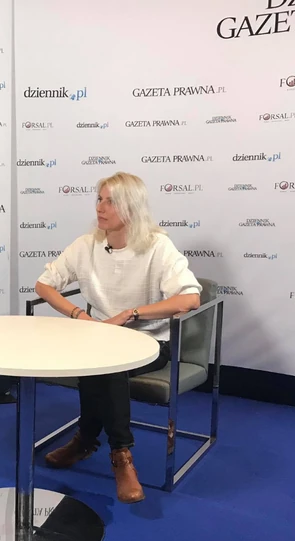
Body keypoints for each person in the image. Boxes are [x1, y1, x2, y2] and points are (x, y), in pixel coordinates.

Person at [34, 172, 201, 503]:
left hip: (151, 343)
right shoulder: (87, 245)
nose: (100, 207)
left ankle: (105, 447)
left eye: (111, 201)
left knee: (106, 364)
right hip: (99, 339)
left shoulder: (157, 246)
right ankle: (112, 451)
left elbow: (190, 299)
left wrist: (131, 314)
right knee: (101, 359)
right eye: (99, 199)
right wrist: (79, 315)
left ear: (131, 207)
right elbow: (44, 284)